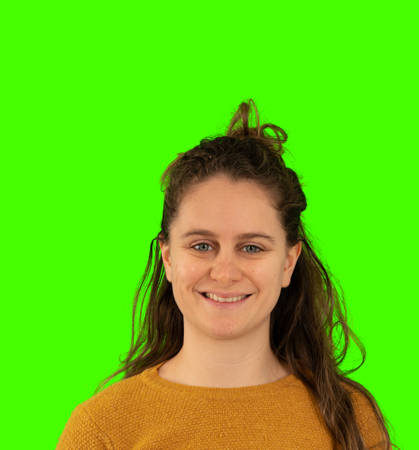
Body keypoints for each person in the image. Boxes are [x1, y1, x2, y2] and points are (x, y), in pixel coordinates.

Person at [56, 99, 398, 449]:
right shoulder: (101, 429)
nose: (224, 273)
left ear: (288, 263)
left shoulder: (351, 418)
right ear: (168, 257)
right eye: (202, 245)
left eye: (251, 247)